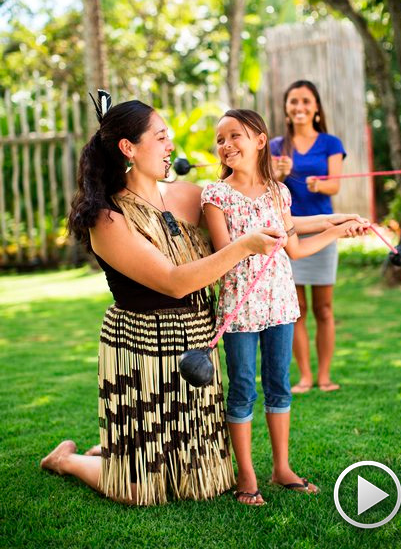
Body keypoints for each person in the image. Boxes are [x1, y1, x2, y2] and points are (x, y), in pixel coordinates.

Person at [40, 97, 286, 506]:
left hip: (195, 344)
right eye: (160, 136)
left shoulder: (189, 195)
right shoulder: (108, 218)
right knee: (139, 492)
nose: (171, 144)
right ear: (128, 149)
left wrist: (268, 173)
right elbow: (173, 282)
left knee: (207, 483)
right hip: (142, 351)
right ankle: (68, 460)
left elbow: (249, 200)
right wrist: (244, 248)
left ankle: (119, 454)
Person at [201, 109, 367, 506]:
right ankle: (246, 474)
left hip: (280, 306)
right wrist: (253, 240)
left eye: (235, 136)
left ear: (260, 140)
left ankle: (281, 468)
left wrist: (337, 228)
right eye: (220, 139)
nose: (226, 145)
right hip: (239, 310)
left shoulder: (280, 193)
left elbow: (295, 247)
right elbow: (224, 253)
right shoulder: (216, 195)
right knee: (242, 390)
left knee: (279, 385)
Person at [270, 79, 346, 394]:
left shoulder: (330, 143)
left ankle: (325, 376)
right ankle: (304, 376)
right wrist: (280, 174)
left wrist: (320, 184)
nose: (300, 107)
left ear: (315, 108)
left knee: (324, 308)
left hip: (323, 231)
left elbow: (335, 185)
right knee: (297, 307)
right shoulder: (276, 146)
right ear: (287, 108)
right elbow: (268, 185)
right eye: (294, 102)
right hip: (290, 230)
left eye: (305, 101)